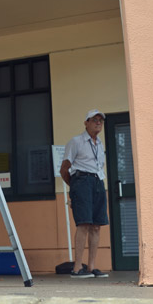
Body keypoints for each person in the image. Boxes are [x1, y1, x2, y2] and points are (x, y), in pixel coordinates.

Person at [60, 109, 110, 278]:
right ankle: (76, 267)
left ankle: (91, 267)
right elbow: (64, 169)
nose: (98, 123)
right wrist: (75, 188)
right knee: (83, 224)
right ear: (86, 123)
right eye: (94, 120)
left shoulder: (100, 144)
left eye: (100, 121)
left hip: (98, 182)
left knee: (96, 225)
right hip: (82, 181)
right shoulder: (76, 142)